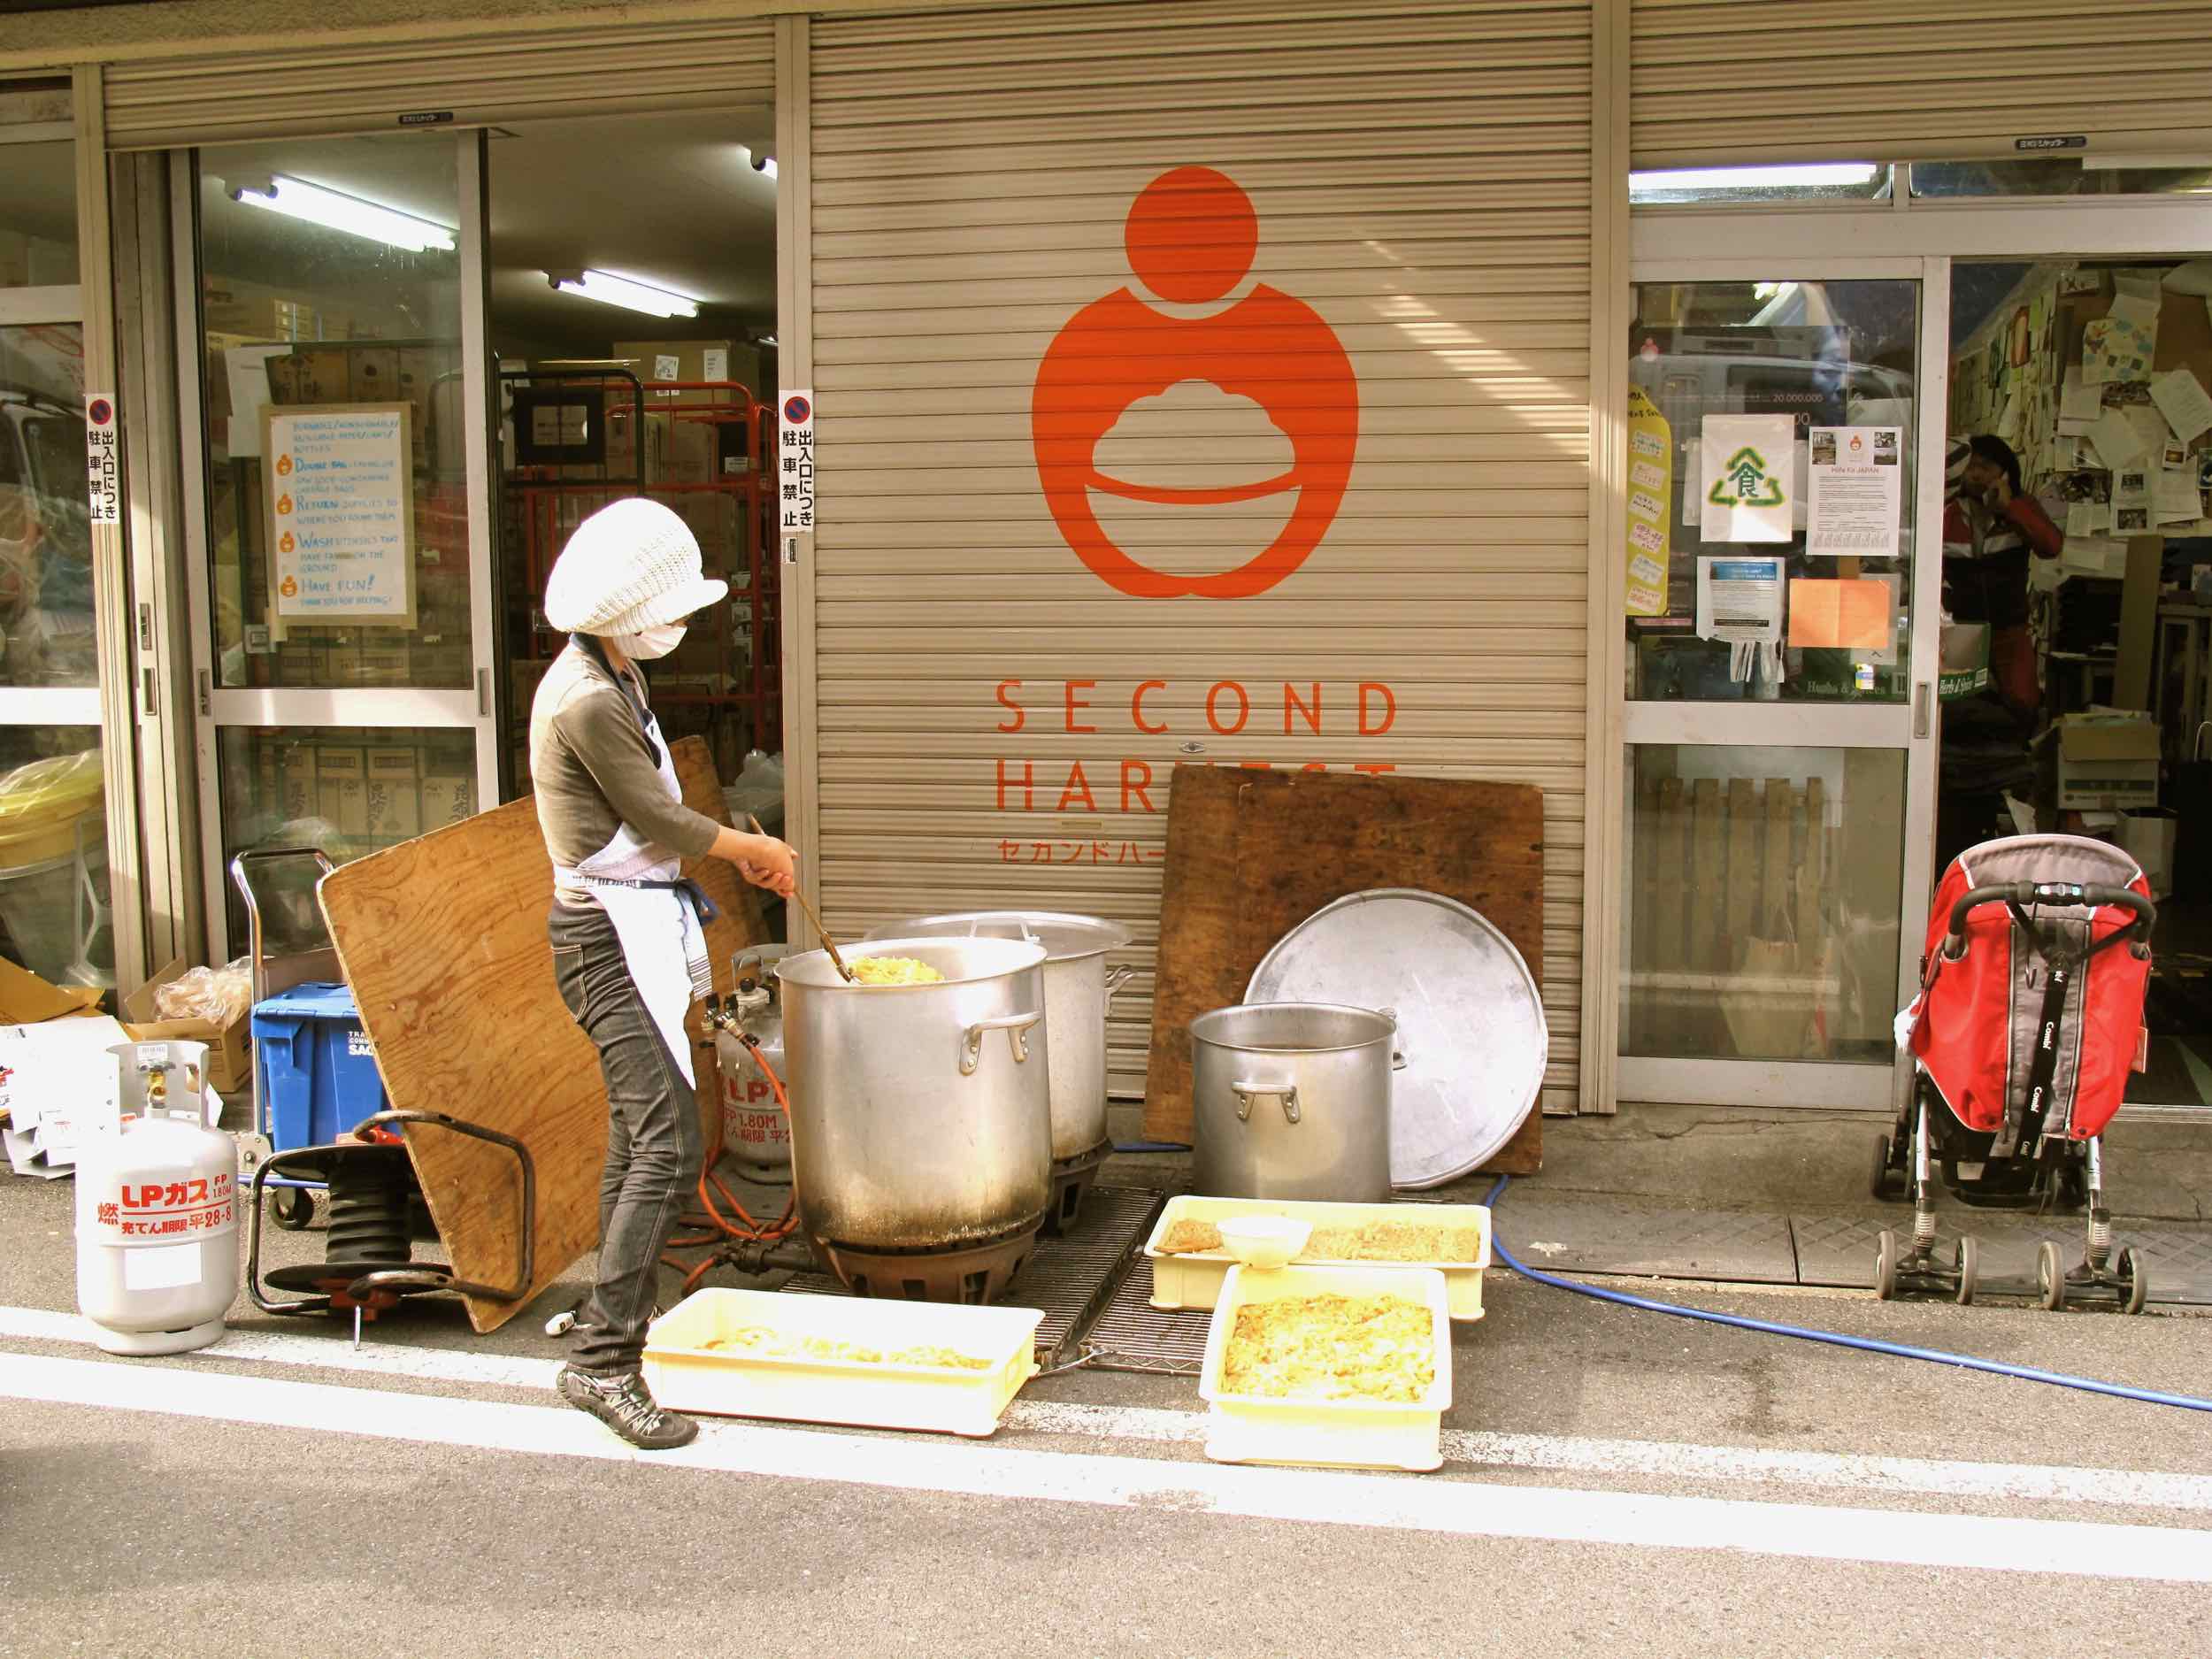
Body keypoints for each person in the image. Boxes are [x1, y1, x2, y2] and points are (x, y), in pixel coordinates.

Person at [531, 496, 795, 1448]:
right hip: (604, 940)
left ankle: (604, 1310)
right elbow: (662, 824)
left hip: (626, 924)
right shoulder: (589, 699)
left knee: (633, 1136)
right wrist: (756, 855)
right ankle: (604, 1361)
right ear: (628, 612)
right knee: (671, 1144)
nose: (679, 623)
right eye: (670, 608)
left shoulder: (613, 673)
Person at [1941, 434, 2063, 720]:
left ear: (2005, 471)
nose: (1977, 475)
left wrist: (2010, 508)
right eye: (1971, 467)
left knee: (2023, 705)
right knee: (1960, 711)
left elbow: (2052, 546)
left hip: (2009, 629)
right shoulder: (1946, 512)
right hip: (1960, 629)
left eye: (1987, 467)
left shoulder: (2021, 507)